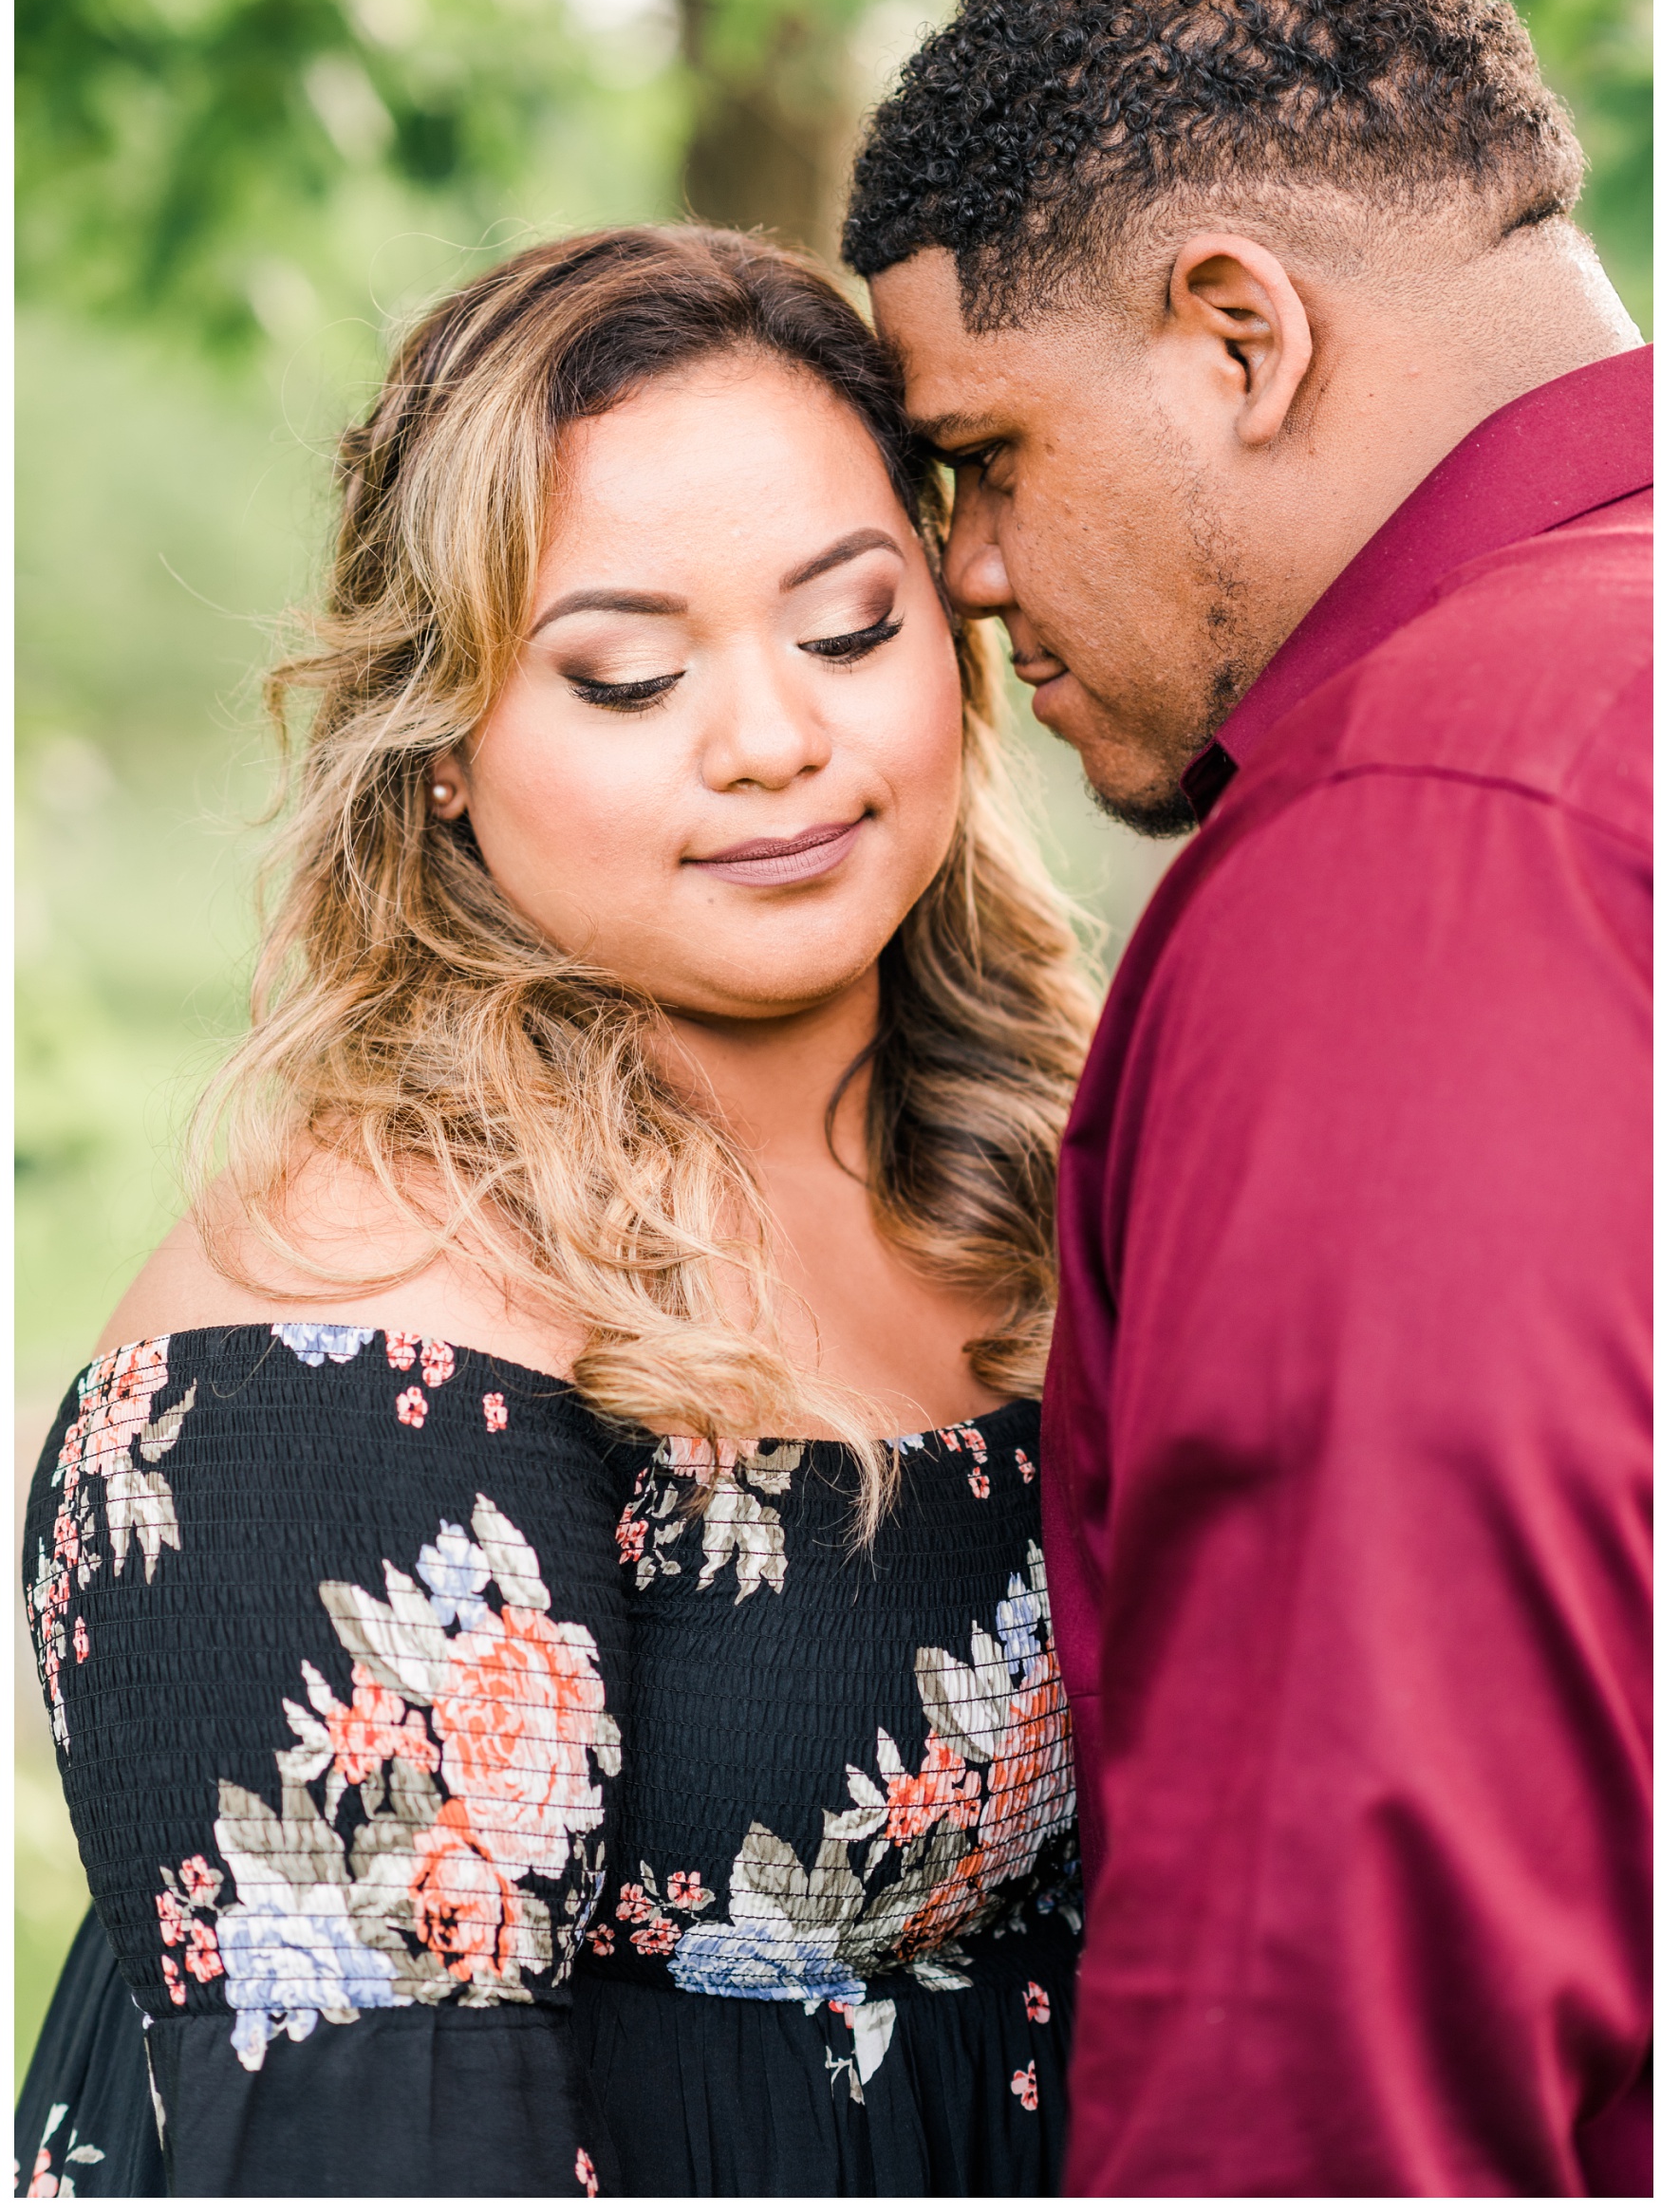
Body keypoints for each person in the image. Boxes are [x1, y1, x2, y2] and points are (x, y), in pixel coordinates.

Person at [16, 227, 1098, 2194]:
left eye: (851, 628)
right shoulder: (342, 1337)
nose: (772, 735)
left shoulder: (1048, 1172)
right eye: (626, 672)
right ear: (440, 749)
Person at [839, 0, 1653, 2192]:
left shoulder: (1412, 832)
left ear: (1235, 333)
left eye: (982, 452)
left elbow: (1341, 1938)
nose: (967, 576)